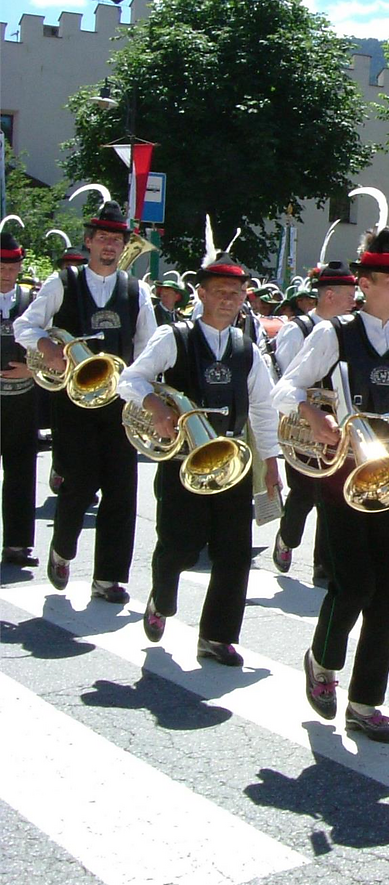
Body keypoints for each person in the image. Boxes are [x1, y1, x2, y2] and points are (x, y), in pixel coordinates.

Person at [272, 221, 389, 744]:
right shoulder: (332, 333)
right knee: (355, 583)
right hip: (342, 473)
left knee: (387, 596)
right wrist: (312, 415)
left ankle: (366, 702)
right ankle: (322, 661)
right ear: (365, 284)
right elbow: (285, 389)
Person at [120, 251, 282, 666]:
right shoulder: (173, 337)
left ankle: (217, 637)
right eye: (220, 292)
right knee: (180, 546)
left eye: (236, 293)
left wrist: (270, 462)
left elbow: (264, 409)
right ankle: (162, 596)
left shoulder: (247, 348)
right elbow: (129, 380)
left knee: (234, 553)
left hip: (232, 462)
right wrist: (155, 406)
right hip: (182, 460)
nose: (228, 300)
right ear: (202, 294)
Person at [14, 200, 157, 602]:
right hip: (73, 400)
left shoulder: (137, 291)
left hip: (120, 401)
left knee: (121, 490)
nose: (110, 245)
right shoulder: (63, 282)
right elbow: (26, 324)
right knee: (77, 484)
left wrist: (144, 393)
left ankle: (109, 578)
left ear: (123, 246)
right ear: (89, 241)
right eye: (104, 238)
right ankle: (62, 548)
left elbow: (147, 346)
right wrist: (46, 346)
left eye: (117, 240)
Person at [271, 261, 356, 586]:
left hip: (337, 424)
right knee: (304, 492)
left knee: (333, 493)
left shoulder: (349, 330)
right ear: (329, 295)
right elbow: (289, 378)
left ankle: (324, 563)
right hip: (302, 425)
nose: (354, 300)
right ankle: (287, 537)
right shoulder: (298, 328)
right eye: (349, 294)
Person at [1, 230, 39, 567]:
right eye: (1, 267)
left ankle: (17, 544)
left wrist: (31, 370)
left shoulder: (32, 302)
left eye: (12, 268)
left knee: (21, 472)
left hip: (24, 399)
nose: (6, 273)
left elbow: (50, 345)